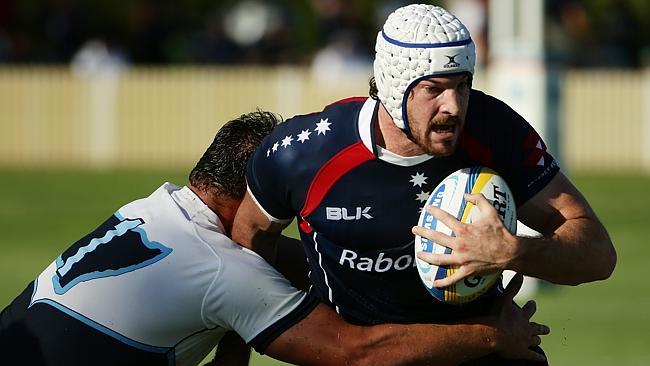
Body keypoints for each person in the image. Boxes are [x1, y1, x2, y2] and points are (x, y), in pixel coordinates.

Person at [0, 110, 549, 366]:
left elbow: (285, 260)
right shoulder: (223, 270)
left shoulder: (151, 210)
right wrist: (491, 336)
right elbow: (354, 353)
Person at [232, 3, 616, 365]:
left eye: (462, 85)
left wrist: (511, 251)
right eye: (434, 89)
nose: (454, 105)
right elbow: (245, 248)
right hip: (368, 356)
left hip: (488, 349)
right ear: (394, 87)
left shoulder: (495, 131)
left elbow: (598, 255)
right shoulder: (304, 154)